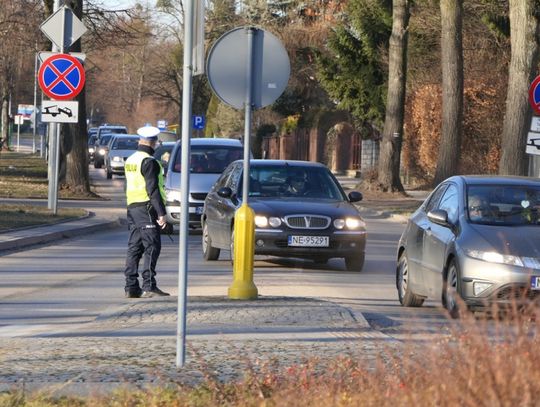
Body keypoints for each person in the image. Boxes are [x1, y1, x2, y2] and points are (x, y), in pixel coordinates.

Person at [123, 125, 170, 298]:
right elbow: (153, 189)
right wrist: (161, 213)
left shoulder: (131, 160)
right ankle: (149, 285)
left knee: (134, 247)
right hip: (146, 207)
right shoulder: (149, 162)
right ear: (154, 142)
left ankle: (131, 286)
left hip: (133, 207)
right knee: (152, 246)